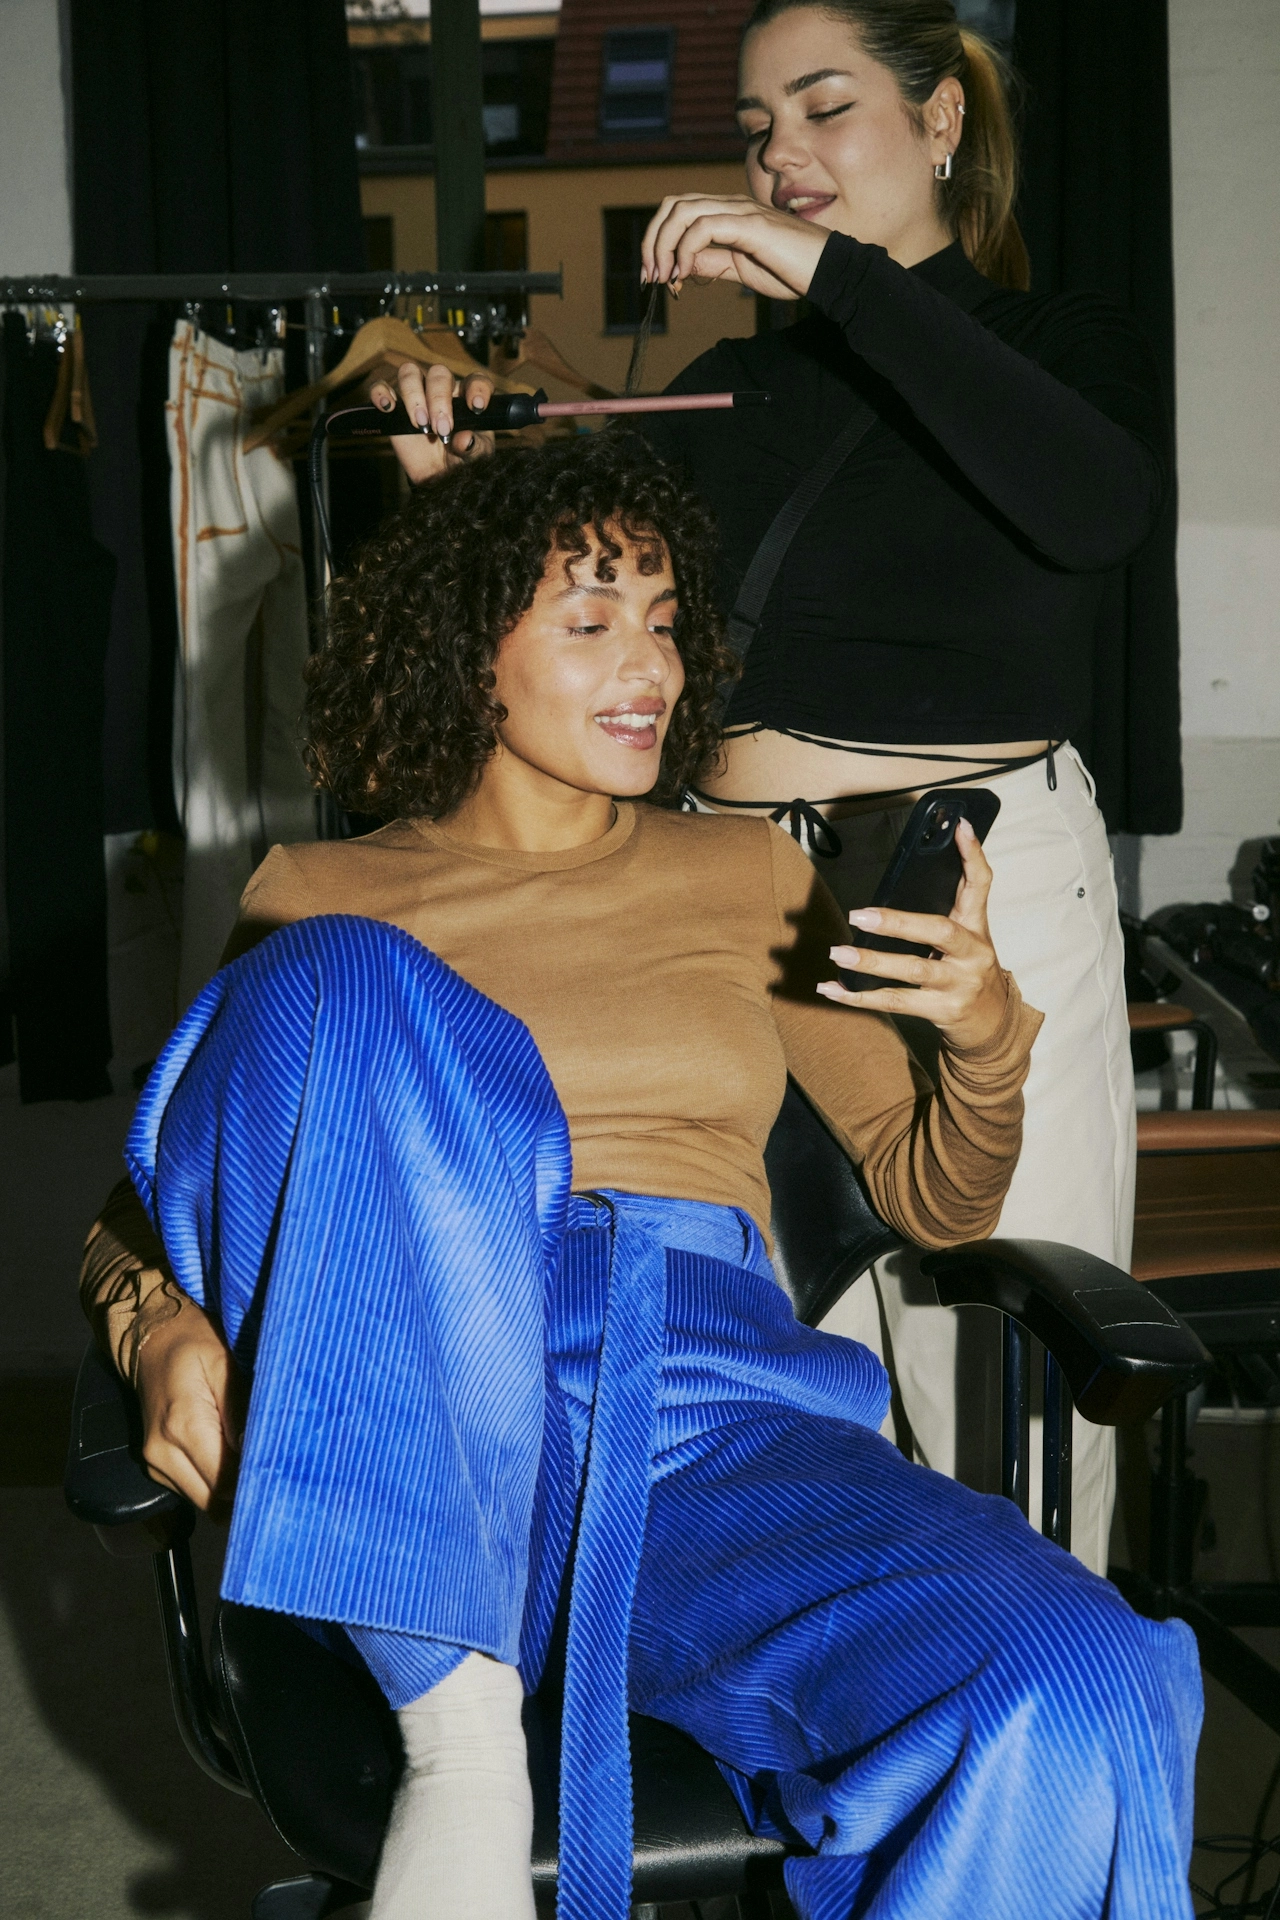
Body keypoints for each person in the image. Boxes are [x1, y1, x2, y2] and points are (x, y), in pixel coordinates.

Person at [81, 437, 1198, 1920]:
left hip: (724, 1415)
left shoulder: (746, 873)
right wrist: (154, 1326)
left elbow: (937, 1199)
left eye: (664, 621)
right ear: (468, 651)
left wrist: (986, 1034)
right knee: (346, 978)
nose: (652, 666)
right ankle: (459, 1729)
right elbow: (151, 1206)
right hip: (426, 1404)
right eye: (591, 618)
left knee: (1086, 1673)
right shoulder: (322, 892)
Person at [375, 0, 1170, 1575]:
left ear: (942, 119)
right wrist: (464, 500)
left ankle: (1034, 1691)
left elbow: (1099, 510)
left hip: (969, 880)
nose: (780, 154)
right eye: (754, 128)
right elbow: (585, 654)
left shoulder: (1052, 345)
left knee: (1004, 1362)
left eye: (824, 107)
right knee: (779, 1365)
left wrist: (842, 279)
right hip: (732, 892)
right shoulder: (730, 387)